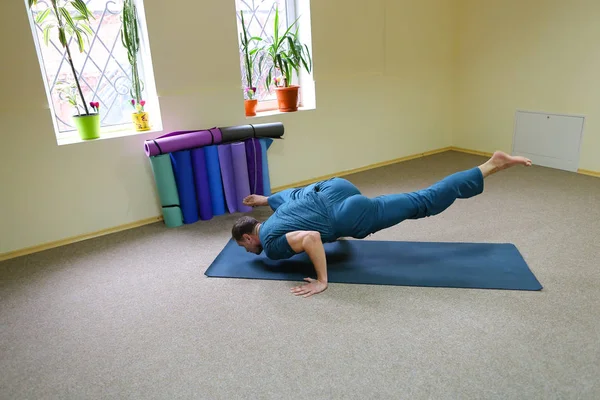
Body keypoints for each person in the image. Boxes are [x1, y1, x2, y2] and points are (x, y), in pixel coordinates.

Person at [231, 151, 532, 298]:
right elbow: (290, 195)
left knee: (423, 201)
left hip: (348, 213)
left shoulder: (270, 245)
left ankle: (492, 164)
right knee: (307, 202)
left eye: (243, 247)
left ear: (248, 237)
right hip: (335, 187)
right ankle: (491, 165)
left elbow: (309, 238)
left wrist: (323, 281)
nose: (246, 252)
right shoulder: (276, 211)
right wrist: (264, 198)